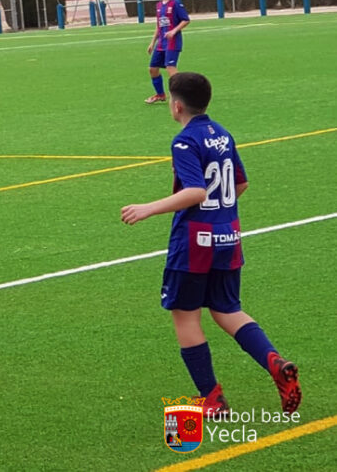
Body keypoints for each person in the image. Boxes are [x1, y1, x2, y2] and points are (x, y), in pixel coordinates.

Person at [121, 72, 301, 417]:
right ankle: (274, 362)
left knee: (185, 314)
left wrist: (148, 209)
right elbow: (241, 183)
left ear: (176, 106)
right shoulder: (222, 134)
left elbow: (196, 191)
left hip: (194, 240)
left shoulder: (184, 141)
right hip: (228, 234)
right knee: (226, 309)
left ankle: (212, 398)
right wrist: (222, 213)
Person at [145, 0, 190, 104]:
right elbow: (159, 25)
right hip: (161, 44)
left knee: (171, 68)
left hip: (172, 42)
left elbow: (186, 20)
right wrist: (152, 42)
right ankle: (160, 95)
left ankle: (182, 97)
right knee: (152, 69)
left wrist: (173, 31)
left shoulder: (176, 4)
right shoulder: (159, 5)